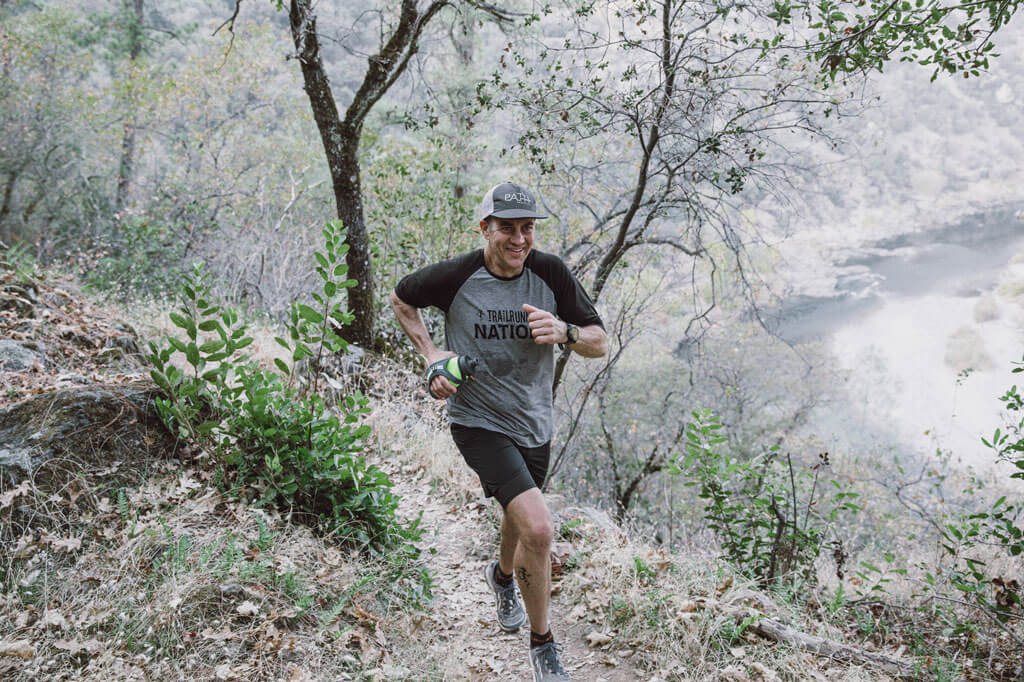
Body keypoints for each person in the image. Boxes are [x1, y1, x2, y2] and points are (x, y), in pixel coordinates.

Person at [390, 181, 608, 681]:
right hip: (477, 420)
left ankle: (503, 575)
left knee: (518, 512)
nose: (518, 238)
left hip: (534, 422)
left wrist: (567, 332)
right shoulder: (456, 276)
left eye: (526, 227)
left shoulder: (550, 273)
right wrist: (432, 355)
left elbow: (600, 341)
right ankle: (543, 644)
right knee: (538, 527)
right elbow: (403, 299)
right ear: (484, 229)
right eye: (506, 227)